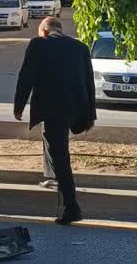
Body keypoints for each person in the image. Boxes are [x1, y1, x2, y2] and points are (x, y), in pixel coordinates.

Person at [13, 17, 96, 225]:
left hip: (54, 110)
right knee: (51, 142)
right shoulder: (80, 47)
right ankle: (53, 177)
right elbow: (89, 82)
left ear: (44, 32)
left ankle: (72, 207)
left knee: (60, 155)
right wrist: (91, 115)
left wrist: (18, 106)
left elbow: (26, 76)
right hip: (76, 110)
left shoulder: (38, 44)